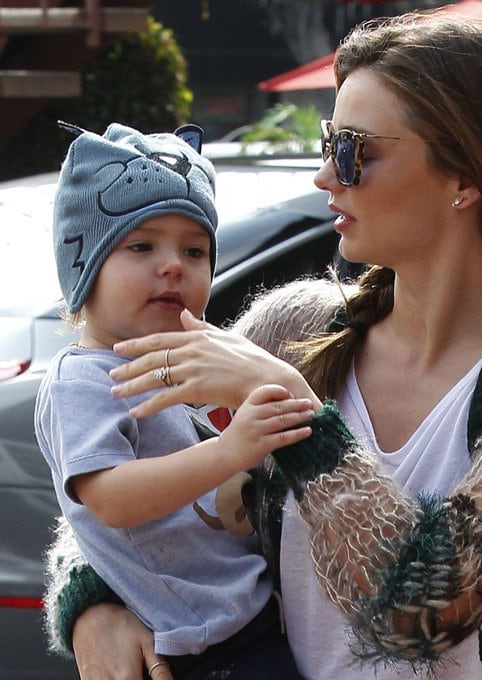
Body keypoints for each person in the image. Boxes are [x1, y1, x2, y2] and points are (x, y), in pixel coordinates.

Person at [42, 12, 482, 680]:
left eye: (353, 151)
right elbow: (123, 495)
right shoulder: (291, 328)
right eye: (330, 142)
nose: (325, 177)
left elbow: (432, 605)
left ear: (464, 178)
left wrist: (301, 420)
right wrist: (91, 604)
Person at [35, 123, 313, 679]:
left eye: (195, 249)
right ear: (83, 268)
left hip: (256, 620)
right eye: (141, 245)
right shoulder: (81, 380)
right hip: (194, 649)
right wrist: (232, 449)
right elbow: (109, 498)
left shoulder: (201, 356)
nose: (173, 266)